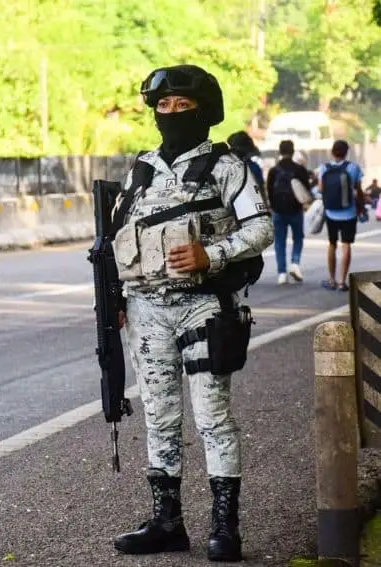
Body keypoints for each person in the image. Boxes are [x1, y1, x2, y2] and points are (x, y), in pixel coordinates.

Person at [110, 65, 274, 562]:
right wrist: (116, 299)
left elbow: (261, 228)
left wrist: (213, 255)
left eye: (183, 106)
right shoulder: (140, 171)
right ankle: (167, 522)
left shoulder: (227, 168)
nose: (172, 114)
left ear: (204, 112)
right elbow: (117, 240)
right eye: (164, 106)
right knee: (159, 417)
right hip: (146, 312)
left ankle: (225, 528)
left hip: (204, 307)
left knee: (212, 417)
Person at [316, 140, 365, 291]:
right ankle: (342, 281)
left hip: (331, 212)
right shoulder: (353, 168)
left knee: (332, 244)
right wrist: (361, 208)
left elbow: (320, 189)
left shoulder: (324, 168)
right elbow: (358, 190)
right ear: (346, 152)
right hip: (349, 213)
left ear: (332, 152)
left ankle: (331, 280)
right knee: (346, 245)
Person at [266, 139, 312, 284]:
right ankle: (295, 263)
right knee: (298, 238)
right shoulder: (300, 169)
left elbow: (269, 191)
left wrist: (273, 207)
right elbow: (306, 190)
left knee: (279, 242)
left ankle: (281, 274)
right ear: (292, 152)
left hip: (278, 211)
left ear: (280, 152)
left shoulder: (274, 170)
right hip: (296, 210)